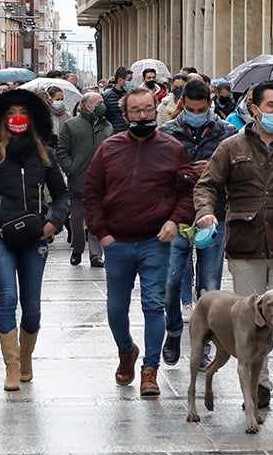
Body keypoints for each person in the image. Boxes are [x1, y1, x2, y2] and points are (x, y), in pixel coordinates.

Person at [194, 80, 273, 410]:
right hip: (245, 244)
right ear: (255, 109)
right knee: (253, 318)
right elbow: (206, 185)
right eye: (272, 106)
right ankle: (260, 385)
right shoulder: (231, 147)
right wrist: (206, 213)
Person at [82, 86, 195, 396]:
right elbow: (91, 193)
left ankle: (150, 370)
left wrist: (175, 221)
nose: (143, 116)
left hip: (155, 241)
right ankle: (126, 351)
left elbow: (187, 193)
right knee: (116, 309)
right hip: (116, 242)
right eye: (136, 111)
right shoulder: (109, 148)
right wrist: (102, 233)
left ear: (155, 110)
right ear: (125, 114)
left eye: (147, 109)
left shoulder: (173, 149)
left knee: (153, 305)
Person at [0, 89, 69, 391]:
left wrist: (53, 223)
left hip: (35, 237)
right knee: (7, 297)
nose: (17, 118)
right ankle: (11, 366)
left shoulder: (45, 156)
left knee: (32, 307)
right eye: (10, 113)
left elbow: (62, 196)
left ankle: (25, 357)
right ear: (1, 119)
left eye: (22, 113)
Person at [159, 80, 237, 365]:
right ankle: (174, 330)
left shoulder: (227, 132)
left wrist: (214, 169)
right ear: (182, 105)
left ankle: (203, 345)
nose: (195, 114)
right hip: (177, 215)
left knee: (209, 285)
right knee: (170, 281)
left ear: (210, 105)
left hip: (214, 214)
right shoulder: (167, 132)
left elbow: (239, 173)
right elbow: (158, 173)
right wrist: (182, 172)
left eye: (200, 109)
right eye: (190, 109)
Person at [56, 92, 112, 268]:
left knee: (97, 216)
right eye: (99, 103)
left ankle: (96, 255)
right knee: (77, 218)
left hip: (101, 180)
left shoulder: (107, 126)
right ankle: (77, 248)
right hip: (78, 179)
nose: (103, 105)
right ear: (89, 106)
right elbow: (61, 150)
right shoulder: (71, 125)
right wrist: (70, 170)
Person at [100, 67, 133, 133]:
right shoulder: (106, 97)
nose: (131, 83)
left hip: (130, 134)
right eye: (129, 80)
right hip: (113, 134)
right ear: (120, 80)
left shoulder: (131, 96)